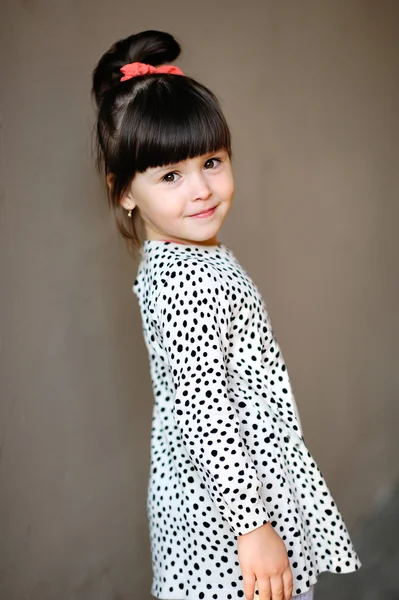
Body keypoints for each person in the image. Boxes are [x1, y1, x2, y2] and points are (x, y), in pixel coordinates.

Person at [91, 30, 361, 600]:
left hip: (241, 491)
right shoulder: (183, 277)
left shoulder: (188, 258)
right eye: (170, 176)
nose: (202, 190)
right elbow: (206, 411)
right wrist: (255, 529)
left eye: (211, 161)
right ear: (125, 193)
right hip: (226, 522)